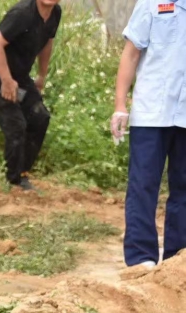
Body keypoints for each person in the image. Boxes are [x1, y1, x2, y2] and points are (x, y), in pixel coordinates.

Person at [111, 0, 185, 270]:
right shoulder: (152, 3)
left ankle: (178, 258)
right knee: (143, 184)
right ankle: (141, 257)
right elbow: (131, 54)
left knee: (184, 188)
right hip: (152, 112)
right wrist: (120, 105)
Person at [0, 0, 62, 192]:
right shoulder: (22, 12)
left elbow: (48, 42)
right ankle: (13, 181)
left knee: (40, 118)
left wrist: (41, 75)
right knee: (16, 125)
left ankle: (22, 173)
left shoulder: (55, 13)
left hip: (20, 76)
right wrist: (6, 80)